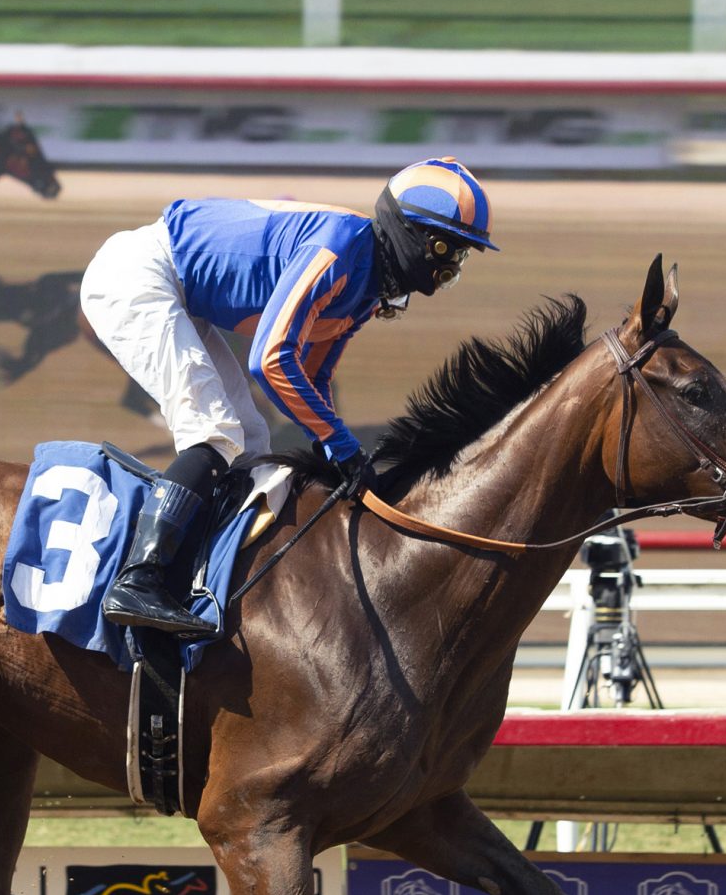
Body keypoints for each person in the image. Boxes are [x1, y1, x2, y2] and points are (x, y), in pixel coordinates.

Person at [80, 157, 497, 637]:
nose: (451, 267)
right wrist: (338, 444)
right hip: (141, 274)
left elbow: (314, 376)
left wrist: (332, 445)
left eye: (461, 257)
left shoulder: (367, 283)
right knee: (213, 432)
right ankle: (138, 579)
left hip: (176, 291)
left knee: (251, 443)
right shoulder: (339, 249)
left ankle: (201, 577)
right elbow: (271, 358)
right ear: (415, 235)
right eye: (450, 250)